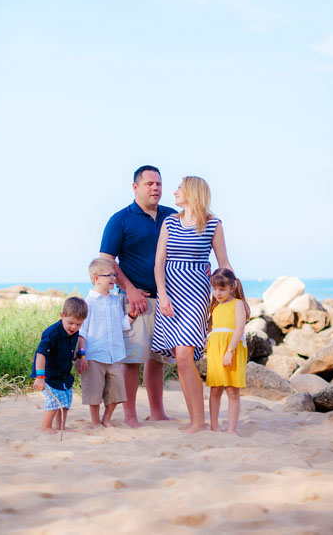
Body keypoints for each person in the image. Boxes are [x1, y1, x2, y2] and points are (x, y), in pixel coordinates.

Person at [153, 175, 233, 434]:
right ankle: (195, 420)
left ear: (192, 193)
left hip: (197, 295)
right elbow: (159, 263)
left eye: (179, 188)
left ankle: (199, 422)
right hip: (170, 296)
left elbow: (223, 264)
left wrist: (235, 295)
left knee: (186, 355)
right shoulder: (169, 222)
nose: (174, 192)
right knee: (180, 359)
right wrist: (162, 296)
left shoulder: (213, 225)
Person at [99, 165, 176, 428]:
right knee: (132, 360)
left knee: (158, 360)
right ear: (135, 187)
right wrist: (130, 289)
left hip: (167, 300)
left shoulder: (172, 216)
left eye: (159, 184)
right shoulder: (120, 219)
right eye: (149, 184)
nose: (156, 188)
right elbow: (105, 261)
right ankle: (129, 415)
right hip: (135, 301)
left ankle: (157, 412)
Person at [77, 258, 130, 428]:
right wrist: (81, 355)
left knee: (117, 390)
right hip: (94, 355)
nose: (113, 279)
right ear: (96, 278)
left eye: (114, 275)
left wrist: (133, 315)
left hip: (114, 354)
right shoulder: (88, 303)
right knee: (94, 391)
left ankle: (107, 418)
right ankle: (94, 421)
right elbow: (82, 332)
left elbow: (122, 324)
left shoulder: (116, 301)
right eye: (109, 276)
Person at [31, 297, 88, 435]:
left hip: (63, 373)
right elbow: (41, 354)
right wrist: (40, 377)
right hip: (49, 373)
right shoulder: (52, 333)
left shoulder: (73, 333)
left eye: (78, 324)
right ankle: (45, 426)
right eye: (70, 323)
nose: (74, 327)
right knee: (54, 400)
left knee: (66, 400)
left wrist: (80, 358)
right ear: (62, 316)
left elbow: (69, 351)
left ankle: (60, 426)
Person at [205, 268, 248, 435]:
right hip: (215, 349)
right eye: (215, 288)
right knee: (215, 388)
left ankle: (232, 430)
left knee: (232, 389)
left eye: (222, 289)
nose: (218, 292)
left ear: (232, 287)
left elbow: (240, 329)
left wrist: (230, 350)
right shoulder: (214, 307)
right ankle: (214, 427)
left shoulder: (237, 304)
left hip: (232, 348)